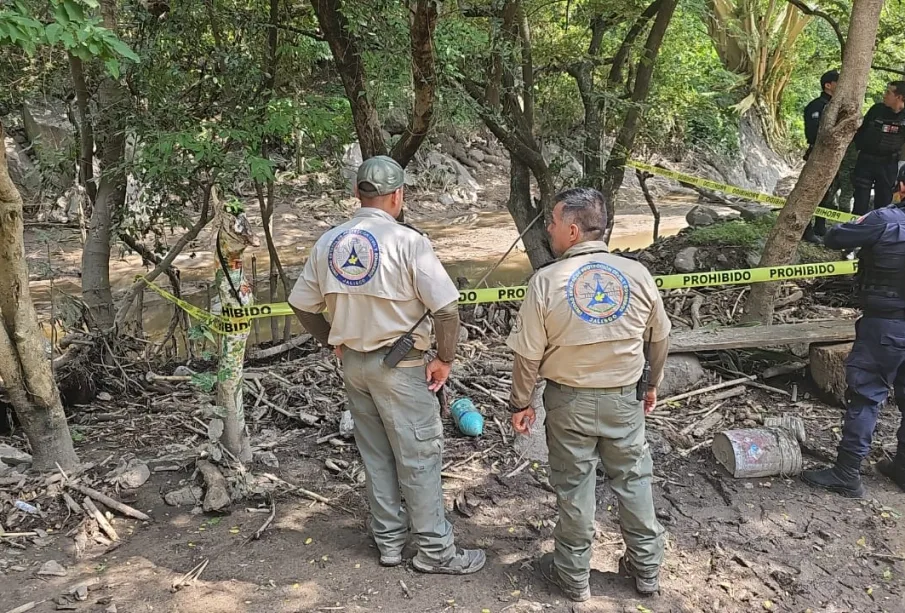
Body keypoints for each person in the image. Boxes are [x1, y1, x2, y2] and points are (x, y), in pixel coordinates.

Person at [289, 156, 485, 575]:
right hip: (401, 367)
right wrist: (445, 360)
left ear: (357, 195)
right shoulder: (408, 242)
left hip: (355, 367)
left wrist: (332, 342)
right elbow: (447, 310)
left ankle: (390, 544)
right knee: (419, 455)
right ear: (398, 196)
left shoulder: (328, 243)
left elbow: (301, 304)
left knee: (376, 455)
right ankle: (435, 551)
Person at [506, 188, 670, 602]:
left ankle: (574, 577)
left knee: (574, 486)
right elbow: (661, 335)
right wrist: (651, 384)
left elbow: (527, 355)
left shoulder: (546, 282)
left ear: (574, 230)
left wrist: (521, 402)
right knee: (634, 480)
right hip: (624, 399)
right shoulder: (637, 275)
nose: (549, 229)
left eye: (554, 222)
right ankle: (647, 570)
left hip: (569, 402)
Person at [801, 203, 905, 497]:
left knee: (866, 396)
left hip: (886, 326)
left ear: (901, 188)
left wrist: (864, 220)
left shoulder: (885, 220)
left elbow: (835, 237)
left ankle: (846, 473)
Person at [851, 81, 905, 215]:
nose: (884, 95)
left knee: (883, 205)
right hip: (866, 161)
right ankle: (855, 234)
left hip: (888, 164)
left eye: (888, 93)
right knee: (860, 202)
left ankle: (878, 234)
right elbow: (860, 132)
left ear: (899, 97)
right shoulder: (876, 110)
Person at [802, 69, 840, 243]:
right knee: (810, 193)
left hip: (835, 156)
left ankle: (820, 226)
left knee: (827, 193)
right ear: (828, 85)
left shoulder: (839, 106)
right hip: (818, 154)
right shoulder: (817, 106)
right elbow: (813, 133)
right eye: (838, 82)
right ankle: (806, 229)